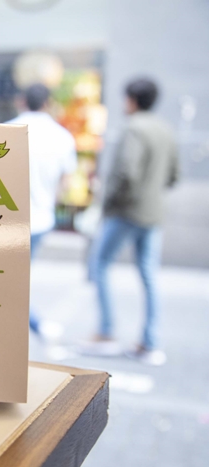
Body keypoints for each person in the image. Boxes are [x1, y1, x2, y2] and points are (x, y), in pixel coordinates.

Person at [86, 78, 179, 365]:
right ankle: (150, 342)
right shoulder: (165, 129)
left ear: (132, 100)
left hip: (126, 211)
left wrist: (108, 204)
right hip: (154, 213)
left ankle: (106, 332)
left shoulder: (133, 128)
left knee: (100, 263)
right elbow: (174, 176)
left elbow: (126, 172)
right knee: (149, 275)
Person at [7, 84, 77, 339]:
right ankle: (33, 326)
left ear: (21, 101)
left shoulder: (7, 131)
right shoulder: (63, 137)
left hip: (8, 220)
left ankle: (31, 326)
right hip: (41, 220)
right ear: (48, 103)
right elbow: (65, 183)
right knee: (13, 280)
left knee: (8, 280)